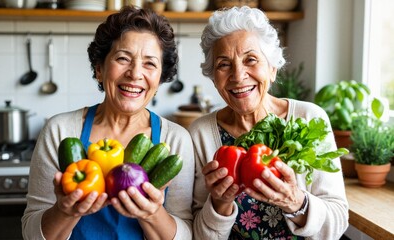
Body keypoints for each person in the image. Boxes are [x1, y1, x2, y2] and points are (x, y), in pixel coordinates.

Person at [22, 6, 194, 240]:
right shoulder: (60, 131)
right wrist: (64, 212)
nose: (135, 74)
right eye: (123, 58)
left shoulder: (175, 140)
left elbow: (187, 233)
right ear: (99, 68)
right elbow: (31, 233)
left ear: (160, 78)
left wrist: (152, 214)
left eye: (150, 64)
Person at [189, 6, 349, 240]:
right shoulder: (201, 133)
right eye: (224, 64)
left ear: (272, 68)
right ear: (214, 78)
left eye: (251, 59)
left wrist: (296, 202)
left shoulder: (309, 118)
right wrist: (219, 204)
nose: (238, 75)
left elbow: (337, 223)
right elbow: (199, 236)